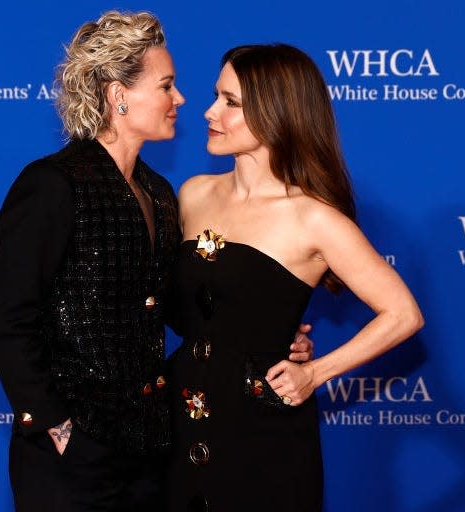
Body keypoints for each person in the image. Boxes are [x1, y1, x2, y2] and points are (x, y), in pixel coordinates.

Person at [0, 13, 312, 511]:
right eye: (167, 86)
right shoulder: (52, 184)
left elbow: (179, 310)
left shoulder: (159, 193)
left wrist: (264, 329)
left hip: (153, 451)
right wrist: (55, 423)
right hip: (72, 455)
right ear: (118, 96)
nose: (180, 99)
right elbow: (7, 318)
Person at [167, 44, 424, 511]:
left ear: (276, 112)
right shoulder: (192, 194)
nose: (208, 112)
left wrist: (314, 372)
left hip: (262, 434)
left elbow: (403, 314)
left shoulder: (315, 219)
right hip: (178, 423)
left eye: (231, 102)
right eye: (216, 96)